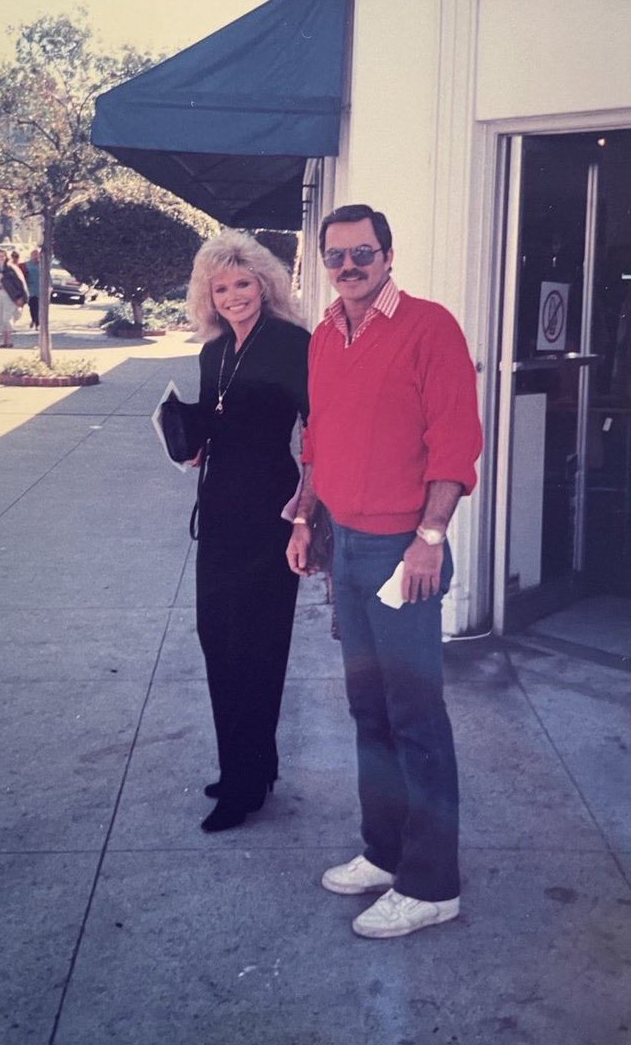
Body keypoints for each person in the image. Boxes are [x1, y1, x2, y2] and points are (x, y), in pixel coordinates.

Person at [286, 204, 483, 939]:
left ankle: (431, 886)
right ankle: (385, 851)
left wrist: (430, 537)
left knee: (415, 716)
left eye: (362, 253)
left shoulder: (429, 327)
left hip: (402, 550)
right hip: (345, 545)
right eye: (335, 256)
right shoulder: (324, 335)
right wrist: (305, 518)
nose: (348, 267)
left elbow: (455, 441)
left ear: (388, 256)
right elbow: (317, 438)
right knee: (369, 711)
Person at [186, 229, 310, 833]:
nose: (234, 296)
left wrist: (307, 510)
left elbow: (318, 428)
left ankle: (244, 782)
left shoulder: (292, 343)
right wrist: (188, 442)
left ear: (264, 284)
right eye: (222, 288)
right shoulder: (213, 352)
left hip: (270, 510)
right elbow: (212, 423)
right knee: (217, 636)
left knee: (257, 644)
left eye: (243, 284)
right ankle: (247, 764)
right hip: (218, 511)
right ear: (208, 296)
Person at [0, 248, 28, 347]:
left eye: (3, 256)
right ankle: (4, 341)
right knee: (0, 317)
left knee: (7, 317)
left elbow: (20, 282)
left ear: (6, 257)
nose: (1, 258)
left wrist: (22, 297)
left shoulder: (12, 268)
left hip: (10, 295)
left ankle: (9, 341)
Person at [22, 248, 41, 329]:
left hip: (40, 290)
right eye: (34, 255)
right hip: (30, 289)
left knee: (39, 307)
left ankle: (37, 323)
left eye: (37, 255)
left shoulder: (42, 265)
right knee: (32, 306)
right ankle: (34, 320)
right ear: (31, 256)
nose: (36, 256)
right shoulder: (26, 265)